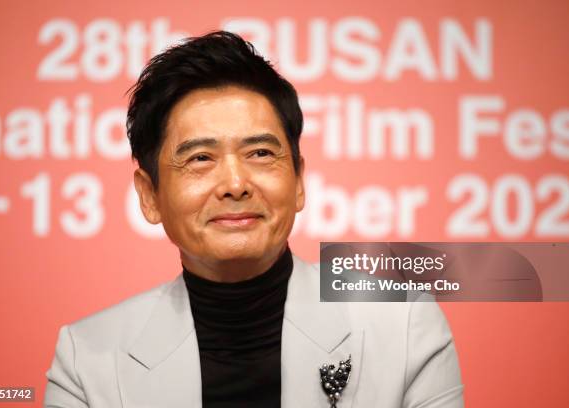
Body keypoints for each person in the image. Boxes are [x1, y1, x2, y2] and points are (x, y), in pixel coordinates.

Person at [44, 31, 464, 408]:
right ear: (150, 195)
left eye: (260, 153)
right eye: (200, 158)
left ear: (299, 180)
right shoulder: (88, 358)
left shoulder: (404, 322)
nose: (235, 183)